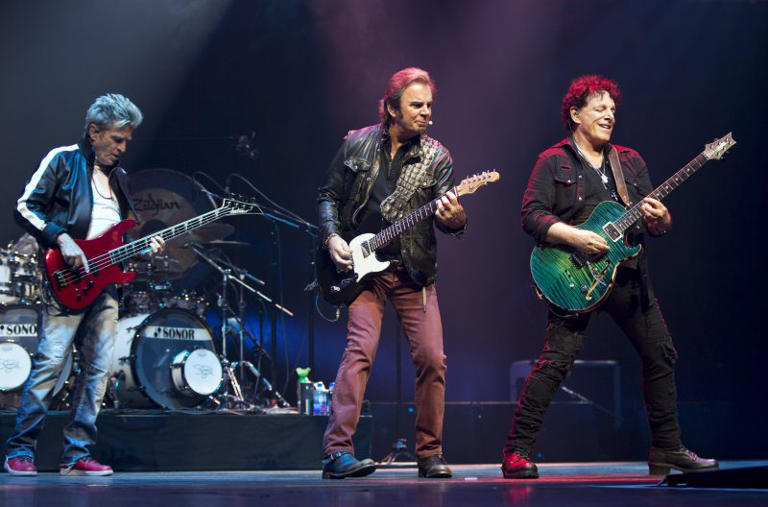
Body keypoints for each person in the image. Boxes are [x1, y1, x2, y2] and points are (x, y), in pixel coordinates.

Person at [502, 75, 718, 479]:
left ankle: (668, 449)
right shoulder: (553, 160)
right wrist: (576, 237)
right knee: (556, 363)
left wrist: (662, 218)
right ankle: (517, 451)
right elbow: (530, 215)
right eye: (599, 108)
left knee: (661, 354)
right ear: (575, 114)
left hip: (630, 277)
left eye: (613, 110)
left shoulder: (630, 162)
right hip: (575, 277)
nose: (609, 115)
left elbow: (655, 222)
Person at [317, 67, 467, 479]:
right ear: (391, 107)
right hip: (364, 272)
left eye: (430, 106)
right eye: (417, 105)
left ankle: (430, 453)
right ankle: (337, 453)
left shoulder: (437, 157)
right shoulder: (356, 144)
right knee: (359, 352)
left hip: (413, 273)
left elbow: (447, 219)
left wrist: (455, 217)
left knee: (433, 359)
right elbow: (328, 195)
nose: (426, 114)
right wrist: (332, 237)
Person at [4, 93, 164, 476]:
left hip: (105, 287)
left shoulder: (121, 180)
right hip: (67, 279)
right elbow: (26, 207)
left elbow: (120, 242)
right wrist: (62, 238)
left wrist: (141, 250)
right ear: (94, 131)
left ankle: (76, 453)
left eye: (127, 141)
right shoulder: (63, 160)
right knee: (49, 364)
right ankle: (19, 450)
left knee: (100, 370)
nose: (123, 148)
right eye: (117, 139)